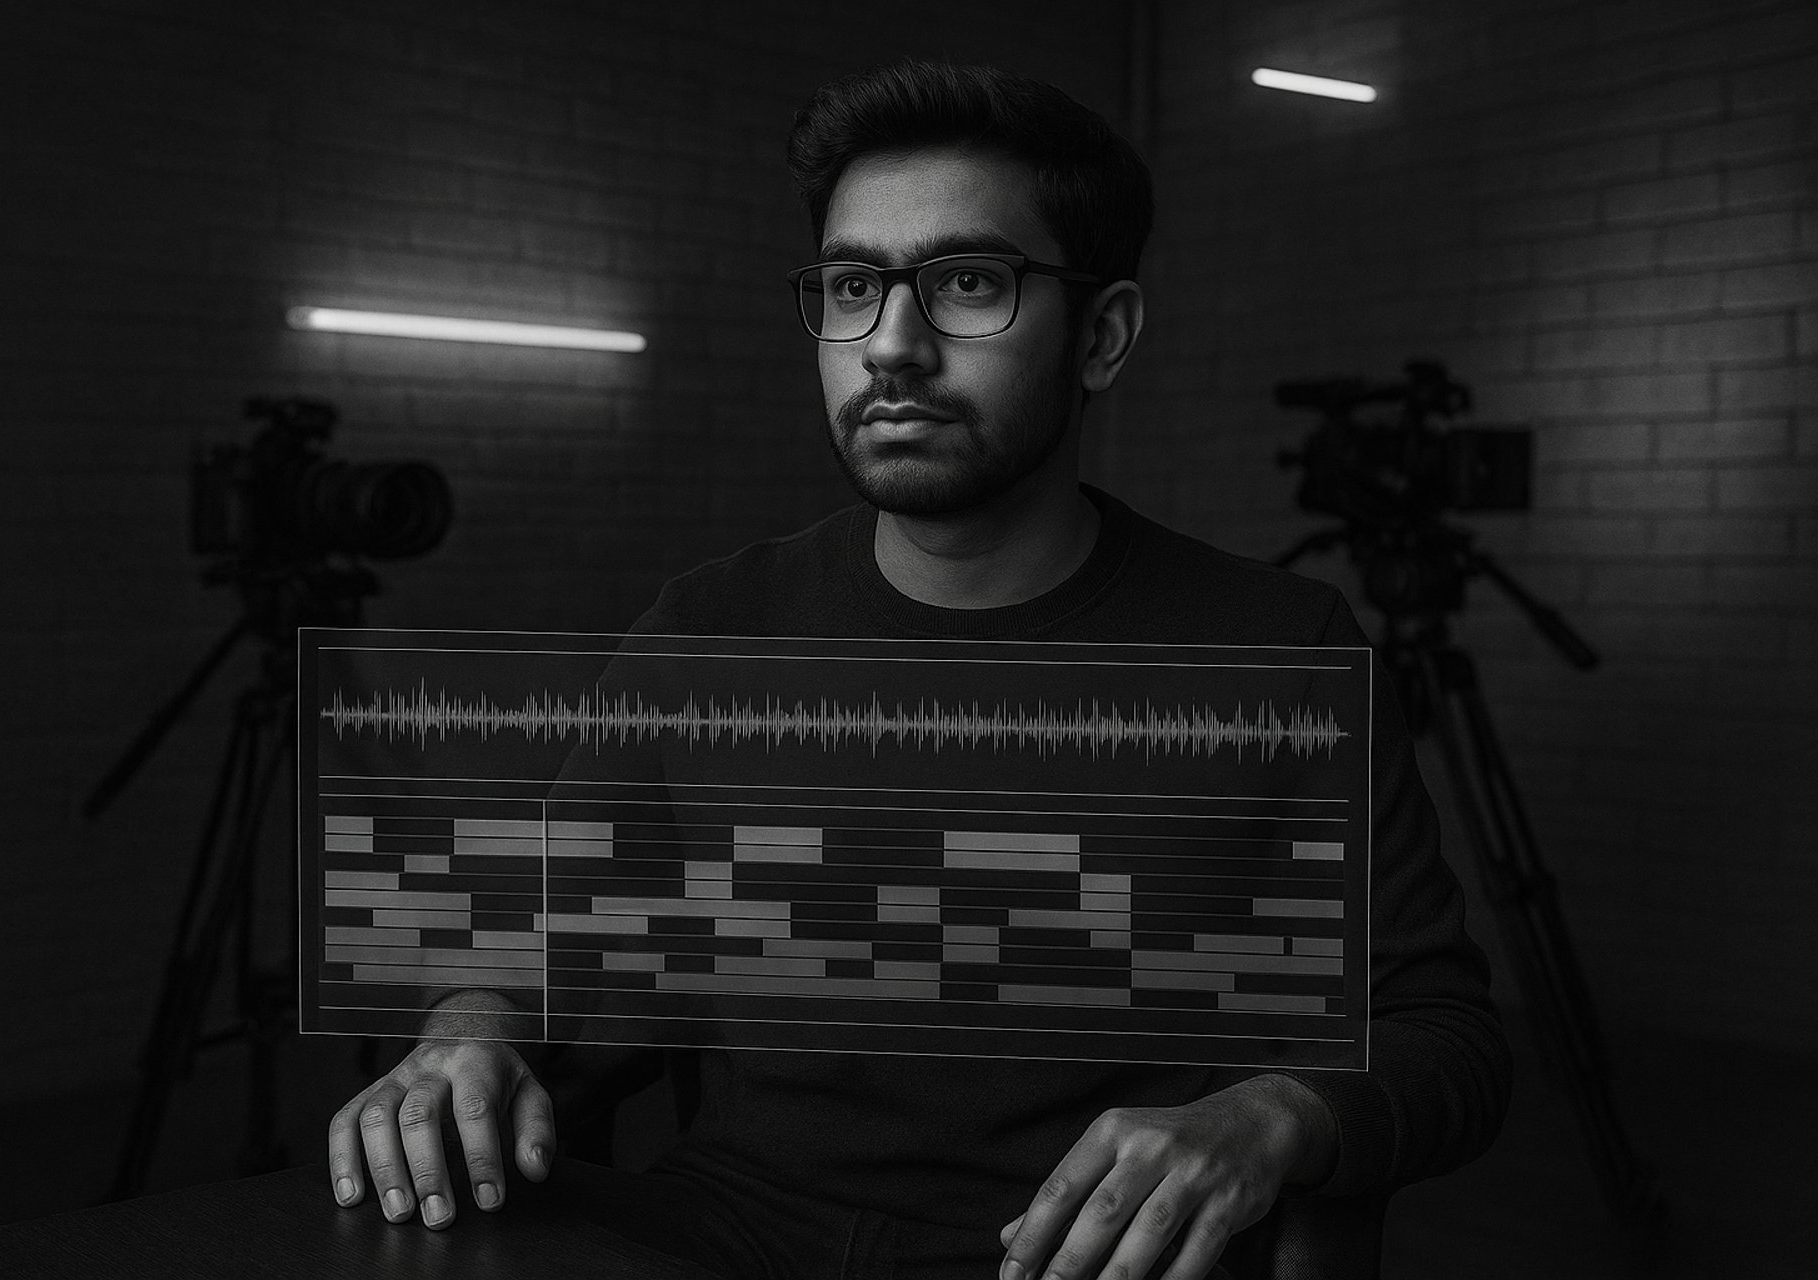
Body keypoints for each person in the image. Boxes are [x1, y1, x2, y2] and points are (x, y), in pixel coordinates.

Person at [326, 60, 1510, 1280]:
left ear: (1101, 336)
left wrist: (1269, 1117)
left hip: (1069, 1251)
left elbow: (1443, 1028)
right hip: (726, 1232)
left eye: (968, 283)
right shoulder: (709, 627)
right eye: (853, 286)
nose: (892, 345)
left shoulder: (1279, 648)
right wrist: (464, 1032)